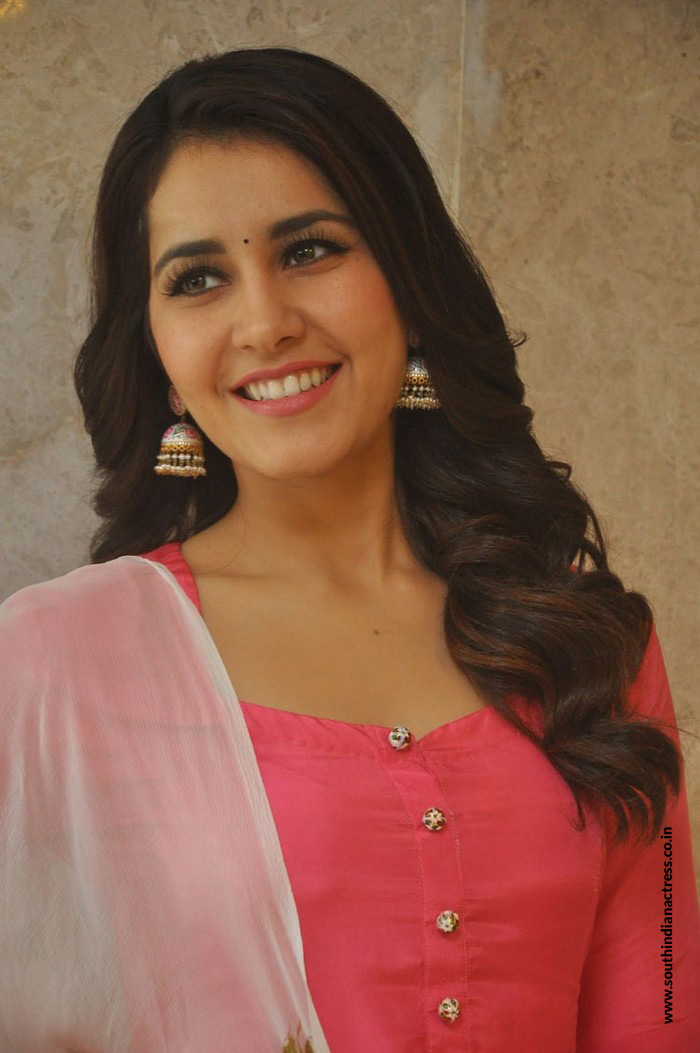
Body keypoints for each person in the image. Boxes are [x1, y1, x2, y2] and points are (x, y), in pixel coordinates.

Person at [0, 47, 697, 1053]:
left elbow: (663, 1009)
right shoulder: (67, 662)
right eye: (199, 279)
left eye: (310, 251)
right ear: (156, 352)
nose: (264, 323)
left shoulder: (583, 638)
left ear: (408, 280)